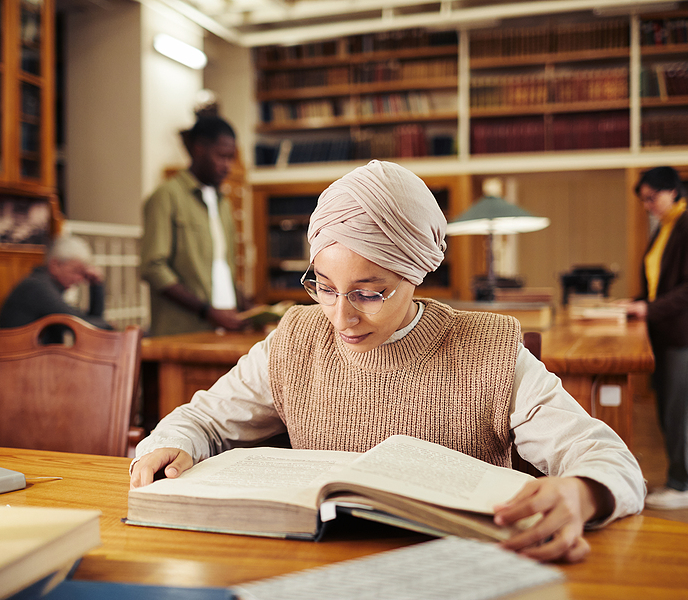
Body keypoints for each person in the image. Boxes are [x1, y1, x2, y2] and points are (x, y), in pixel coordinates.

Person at [131, 160, 645, 563]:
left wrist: (582, 495)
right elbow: (201, 417)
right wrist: (170, 444)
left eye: (369, 294)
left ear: (416, 274)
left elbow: (609, 459)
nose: (340, 317)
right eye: (324, 288)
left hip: (458, 573)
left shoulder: (488, 350)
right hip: (320, 569)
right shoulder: (296, 338)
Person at [624, 166, 688, 510]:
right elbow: (657, 282)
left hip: (686, 337)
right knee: (671, 411)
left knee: (681, 413)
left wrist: (648, 309)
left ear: (672, 190)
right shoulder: (666, 227)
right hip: (667, 335)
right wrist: (636, 302)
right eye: (644, 199)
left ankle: (685, 484)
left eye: (651, 197)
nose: (647, 205)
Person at [140, 114, 246, 336]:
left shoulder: (224, 203)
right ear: (199, 149)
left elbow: (221, 268)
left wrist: (246, 306)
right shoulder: (166, 197)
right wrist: (206, 311)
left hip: (224, 328)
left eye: (231, 158)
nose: (227, 166)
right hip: (182, 332)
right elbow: (154, 267)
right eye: (221, 156)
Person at [0, 235, 111, 340]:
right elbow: (86, 326)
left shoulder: (44, 284)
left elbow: (90, 326)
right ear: (55, 265)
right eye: (76, 271)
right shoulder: (37, 287)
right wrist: (108, 326)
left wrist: (96, 285)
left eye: (83, 274)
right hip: (17, 359)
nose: (80, 279)